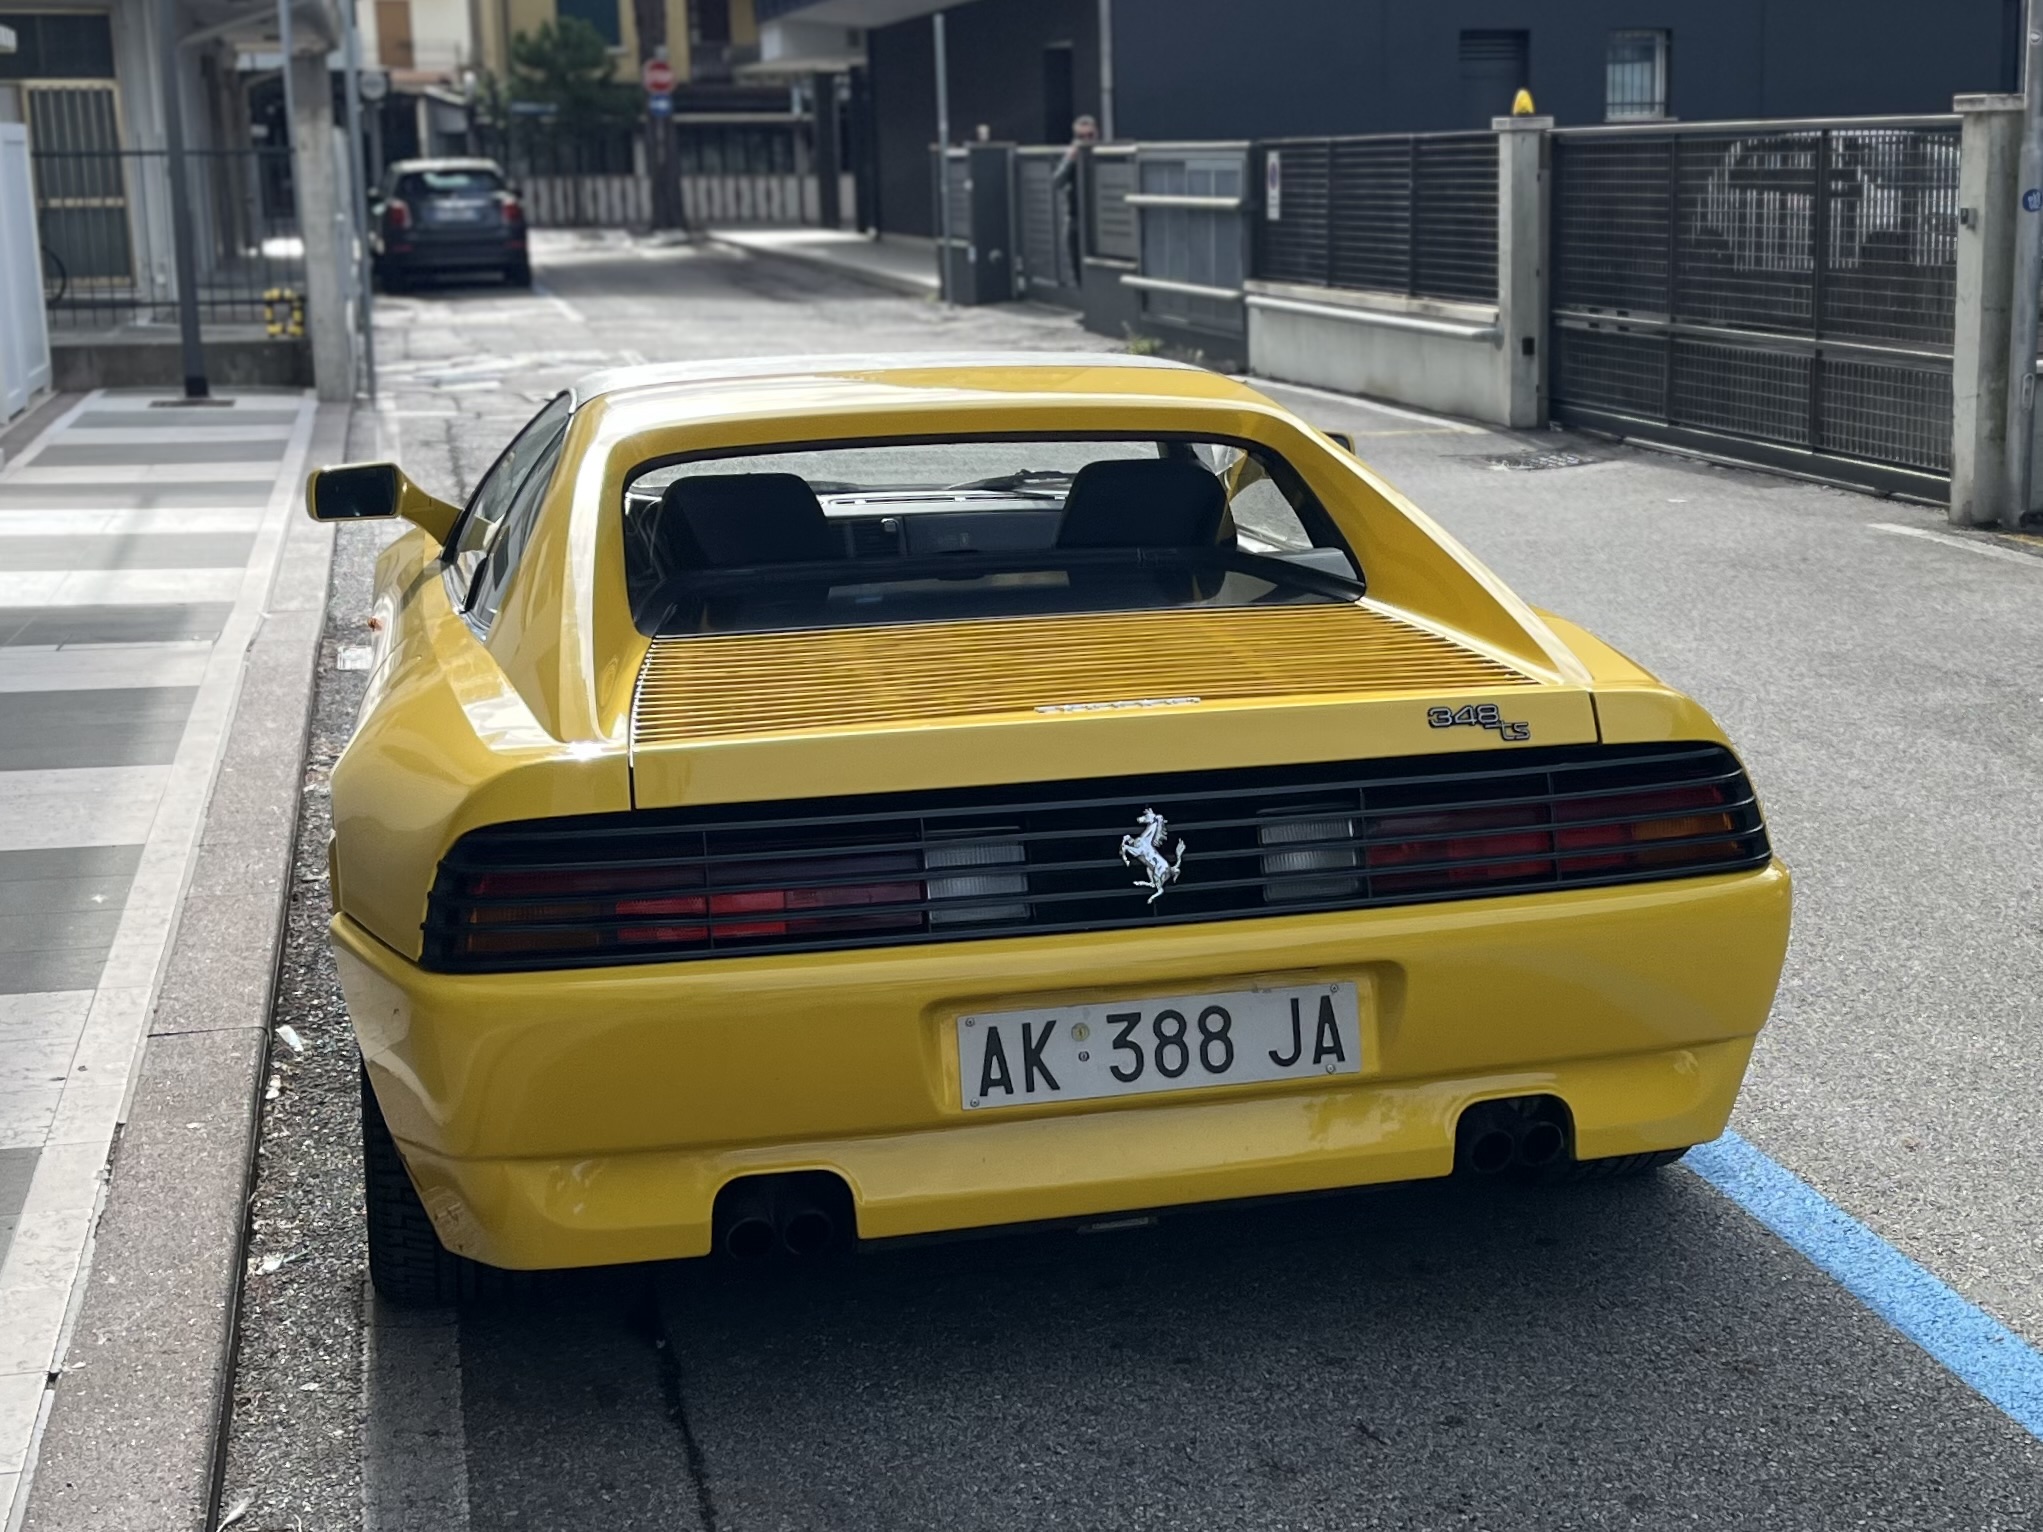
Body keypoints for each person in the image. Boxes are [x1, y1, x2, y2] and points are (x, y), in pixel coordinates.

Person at [1051, 114, 1099, 286]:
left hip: (1099, 219)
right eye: (1081, 137)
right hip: (1076, 217)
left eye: (1090, 136)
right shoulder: (1071, 158)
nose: (1086, 141)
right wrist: (1070, 160)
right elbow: (1057, 182)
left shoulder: (1102, 155)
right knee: (1075, 262)